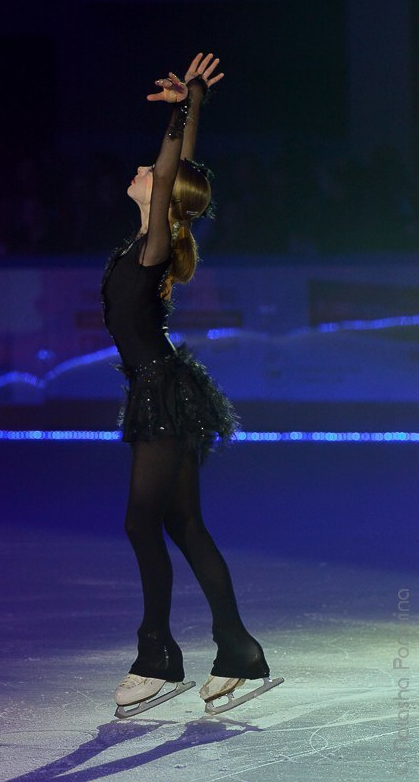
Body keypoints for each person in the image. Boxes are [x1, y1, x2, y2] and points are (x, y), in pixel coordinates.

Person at [101, 53, 283, 718]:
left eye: (156, 170)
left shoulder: (153, 244)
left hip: (161, 393)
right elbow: (171, 168)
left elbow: (174, 162)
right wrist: (184, 108)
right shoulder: (143, 244)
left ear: (163, 196)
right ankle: (235, 650)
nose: (146, 167)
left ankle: (157, 656)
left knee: (141, 522)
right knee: (182, 525)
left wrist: (190, 107)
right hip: (161, 389)